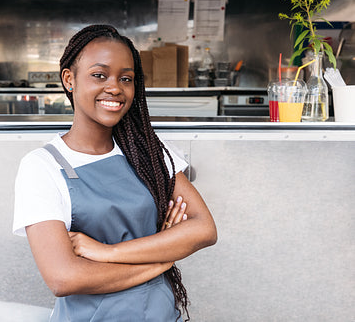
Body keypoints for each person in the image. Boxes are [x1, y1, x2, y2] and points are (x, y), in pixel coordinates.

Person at [13, 24, 217, 321]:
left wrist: (106, 252)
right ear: (69, 79)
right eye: (99, 75)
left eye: (126, 78)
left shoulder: (149, 151)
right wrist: (164, 257)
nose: (115, 88)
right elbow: (63, 278)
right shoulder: (42, 166)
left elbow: (204, 230)